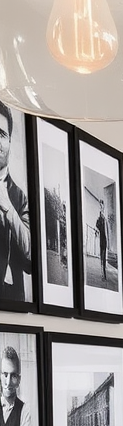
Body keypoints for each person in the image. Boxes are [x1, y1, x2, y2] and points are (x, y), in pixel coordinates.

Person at [0, 102, 31, 306]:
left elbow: (31, 260)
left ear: (10, 140)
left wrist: (7, 207)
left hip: (11, 301)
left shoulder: (20, 197)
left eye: (1, 134)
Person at [95, 200, 109, 281]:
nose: (101, 207)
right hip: (101, 239)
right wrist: (97, 230)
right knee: (102, 256)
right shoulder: (100, 217)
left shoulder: (104, 217)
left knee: (103, 256)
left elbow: (106, 228)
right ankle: (102, 274)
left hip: (105, 239)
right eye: (100, 205)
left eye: (101, 205)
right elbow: (98, 226)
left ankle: (104, 274)